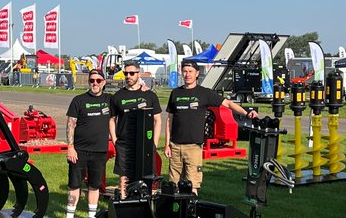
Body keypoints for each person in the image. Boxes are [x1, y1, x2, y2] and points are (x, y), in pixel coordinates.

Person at [165, 58, 258, 193]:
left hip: (194, 147)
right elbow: (170, 120)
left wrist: (246, 113)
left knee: (193, 185)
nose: (187, 74)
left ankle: (192, 211)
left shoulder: (205, 93)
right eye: (185, 71)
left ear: (197, 73)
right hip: (175, 146)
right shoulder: (176, 93)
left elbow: (228, 104)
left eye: (190, 71)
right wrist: (167, 144)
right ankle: (175, 212)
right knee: (173, 185)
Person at [65, 69, 112, 218]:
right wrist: (70, 147)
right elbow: (71, 124)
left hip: (99, 150)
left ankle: (92, 217)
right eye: (92, 80)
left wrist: (142, 86)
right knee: (74, 184)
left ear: (103, 82)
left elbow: (128, 96)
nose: (95, 83)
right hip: (79, 150)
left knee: (94, 184)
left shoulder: (110, 100)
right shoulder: (78, 100)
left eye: (98, 80)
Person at [109, 60, 161, 198]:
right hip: (125, 143)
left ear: (139, 74)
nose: (128, 76)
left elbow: (158, 120)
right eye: (126, 73)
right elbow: (112, 119)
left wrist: (154, 143)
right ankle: (125, 202)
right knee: (124, 176)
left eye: (132, 73)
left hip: (145, 143)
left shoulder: (149, 95)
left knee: (145, 174)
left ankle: (145, 202)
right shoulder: (118, 96)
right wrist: (115, 140)